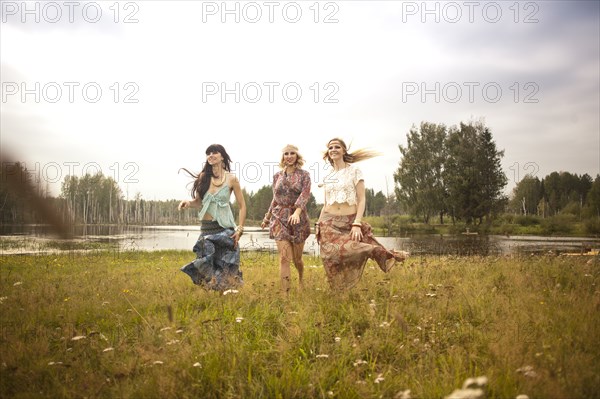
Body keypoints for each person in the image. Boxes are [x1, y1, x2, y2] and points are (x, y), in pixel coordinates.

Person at [316, 138, 408, 290]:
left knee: (350, 249)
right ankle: (337, 290)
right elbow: (325, 204)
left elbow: (361, 199)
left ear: (344, 150)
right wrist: (318, 224)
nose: (333, 149)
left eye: (337, 147)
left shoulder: (354, 171)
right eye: (331, 147)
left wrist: (357, 223)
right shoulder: (328, 176)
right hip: (328, 221)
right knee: (329, 256)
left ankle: (380, 252)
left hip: (349, 221)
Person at [178, 144, 246, 291]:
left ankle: (224, 297)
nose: (211, 155)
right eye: (208, 153)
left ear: (222, 156)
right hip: (206, 230)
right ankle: (213, 298)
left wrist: (240, 229)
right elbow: (198, 202)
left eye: (214, 152)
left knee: (225, 267)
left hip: (224, 229)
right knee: (206, 269)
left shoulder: (232, 179)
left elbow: (242, 206)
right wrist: (188, 203)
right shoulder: (204, 178)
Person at [261, 144, 311, 293]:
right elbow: (275, 199)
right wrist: (267, 217)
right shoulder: (277, 176)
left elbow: (305, 194)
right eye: (286, 154)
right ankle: (285, 295)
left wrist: (296, 212)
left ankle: (301, 278)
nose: (289, 156)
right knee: (284, 258)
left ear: (297, 156)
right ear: (283, 157)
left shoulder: (304, 175)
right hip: (279, 217)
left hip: (298, 219)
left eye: (292, 153)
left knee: (297, 259)